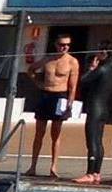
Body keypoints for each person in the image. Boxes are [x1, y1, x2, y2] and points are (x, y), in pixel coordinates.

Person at [26, 33, 80, 178]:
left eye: (67, 45)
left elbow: (73, 85)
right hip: (46, 95)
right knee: (39, 133)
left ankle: (54, 166)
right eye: (62, 44)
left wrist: (70, 101)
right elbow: (31, 69)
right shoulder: (48, 59)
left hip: (60, 96)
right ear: (56, 44)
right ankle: (33, 166)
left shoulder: (72, 62)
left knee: (56, 134)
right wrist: (38, 83)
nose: (65, 47)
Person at [73, 41, 112, 184]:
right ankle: (97, 173)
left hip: (95, 107)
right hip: (104, 108)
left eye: (100, 51)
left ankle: (90, 173)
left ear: (105, 52)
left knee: (92, 141)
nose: (97, 54)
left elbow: (83, 80)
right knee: (98, 141)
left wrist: (92, 68)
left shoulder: (102, 69)